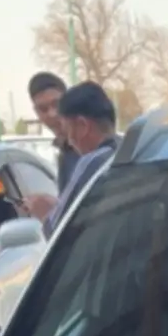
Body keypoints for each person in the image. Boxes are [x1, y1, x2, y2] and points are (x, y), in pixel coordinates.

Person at [41, 81, 120, 237]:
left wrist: (44, 212)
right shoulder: (130, 151)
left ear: (82, 126)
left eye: (68, 130)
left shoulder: (92, 163)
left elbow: (55, 230)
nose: (70, 142)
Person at [23, 71, 80, 223]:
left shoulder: (89, 147)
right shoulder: (65, 154)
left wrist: (54, 211)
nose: (52, 114)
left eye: (57, 104)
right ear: (36, 113)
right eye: (43, 109)